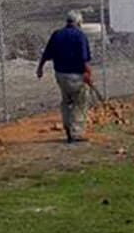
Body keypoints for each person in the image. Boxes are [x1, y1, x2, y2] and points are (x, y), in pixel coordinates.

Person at [36, 10, 93, 143]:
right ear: (78, 22)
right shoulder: (80, 36)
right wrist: (89, 74)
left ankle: (68, 129)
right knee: (80, 103)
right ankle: (76, 133)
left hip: (60, 75)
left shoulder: (57, 34)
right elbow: (84, 59)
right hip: (76, 76)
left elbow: (46, 53)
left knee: (66, 102)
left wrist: (40, 68)